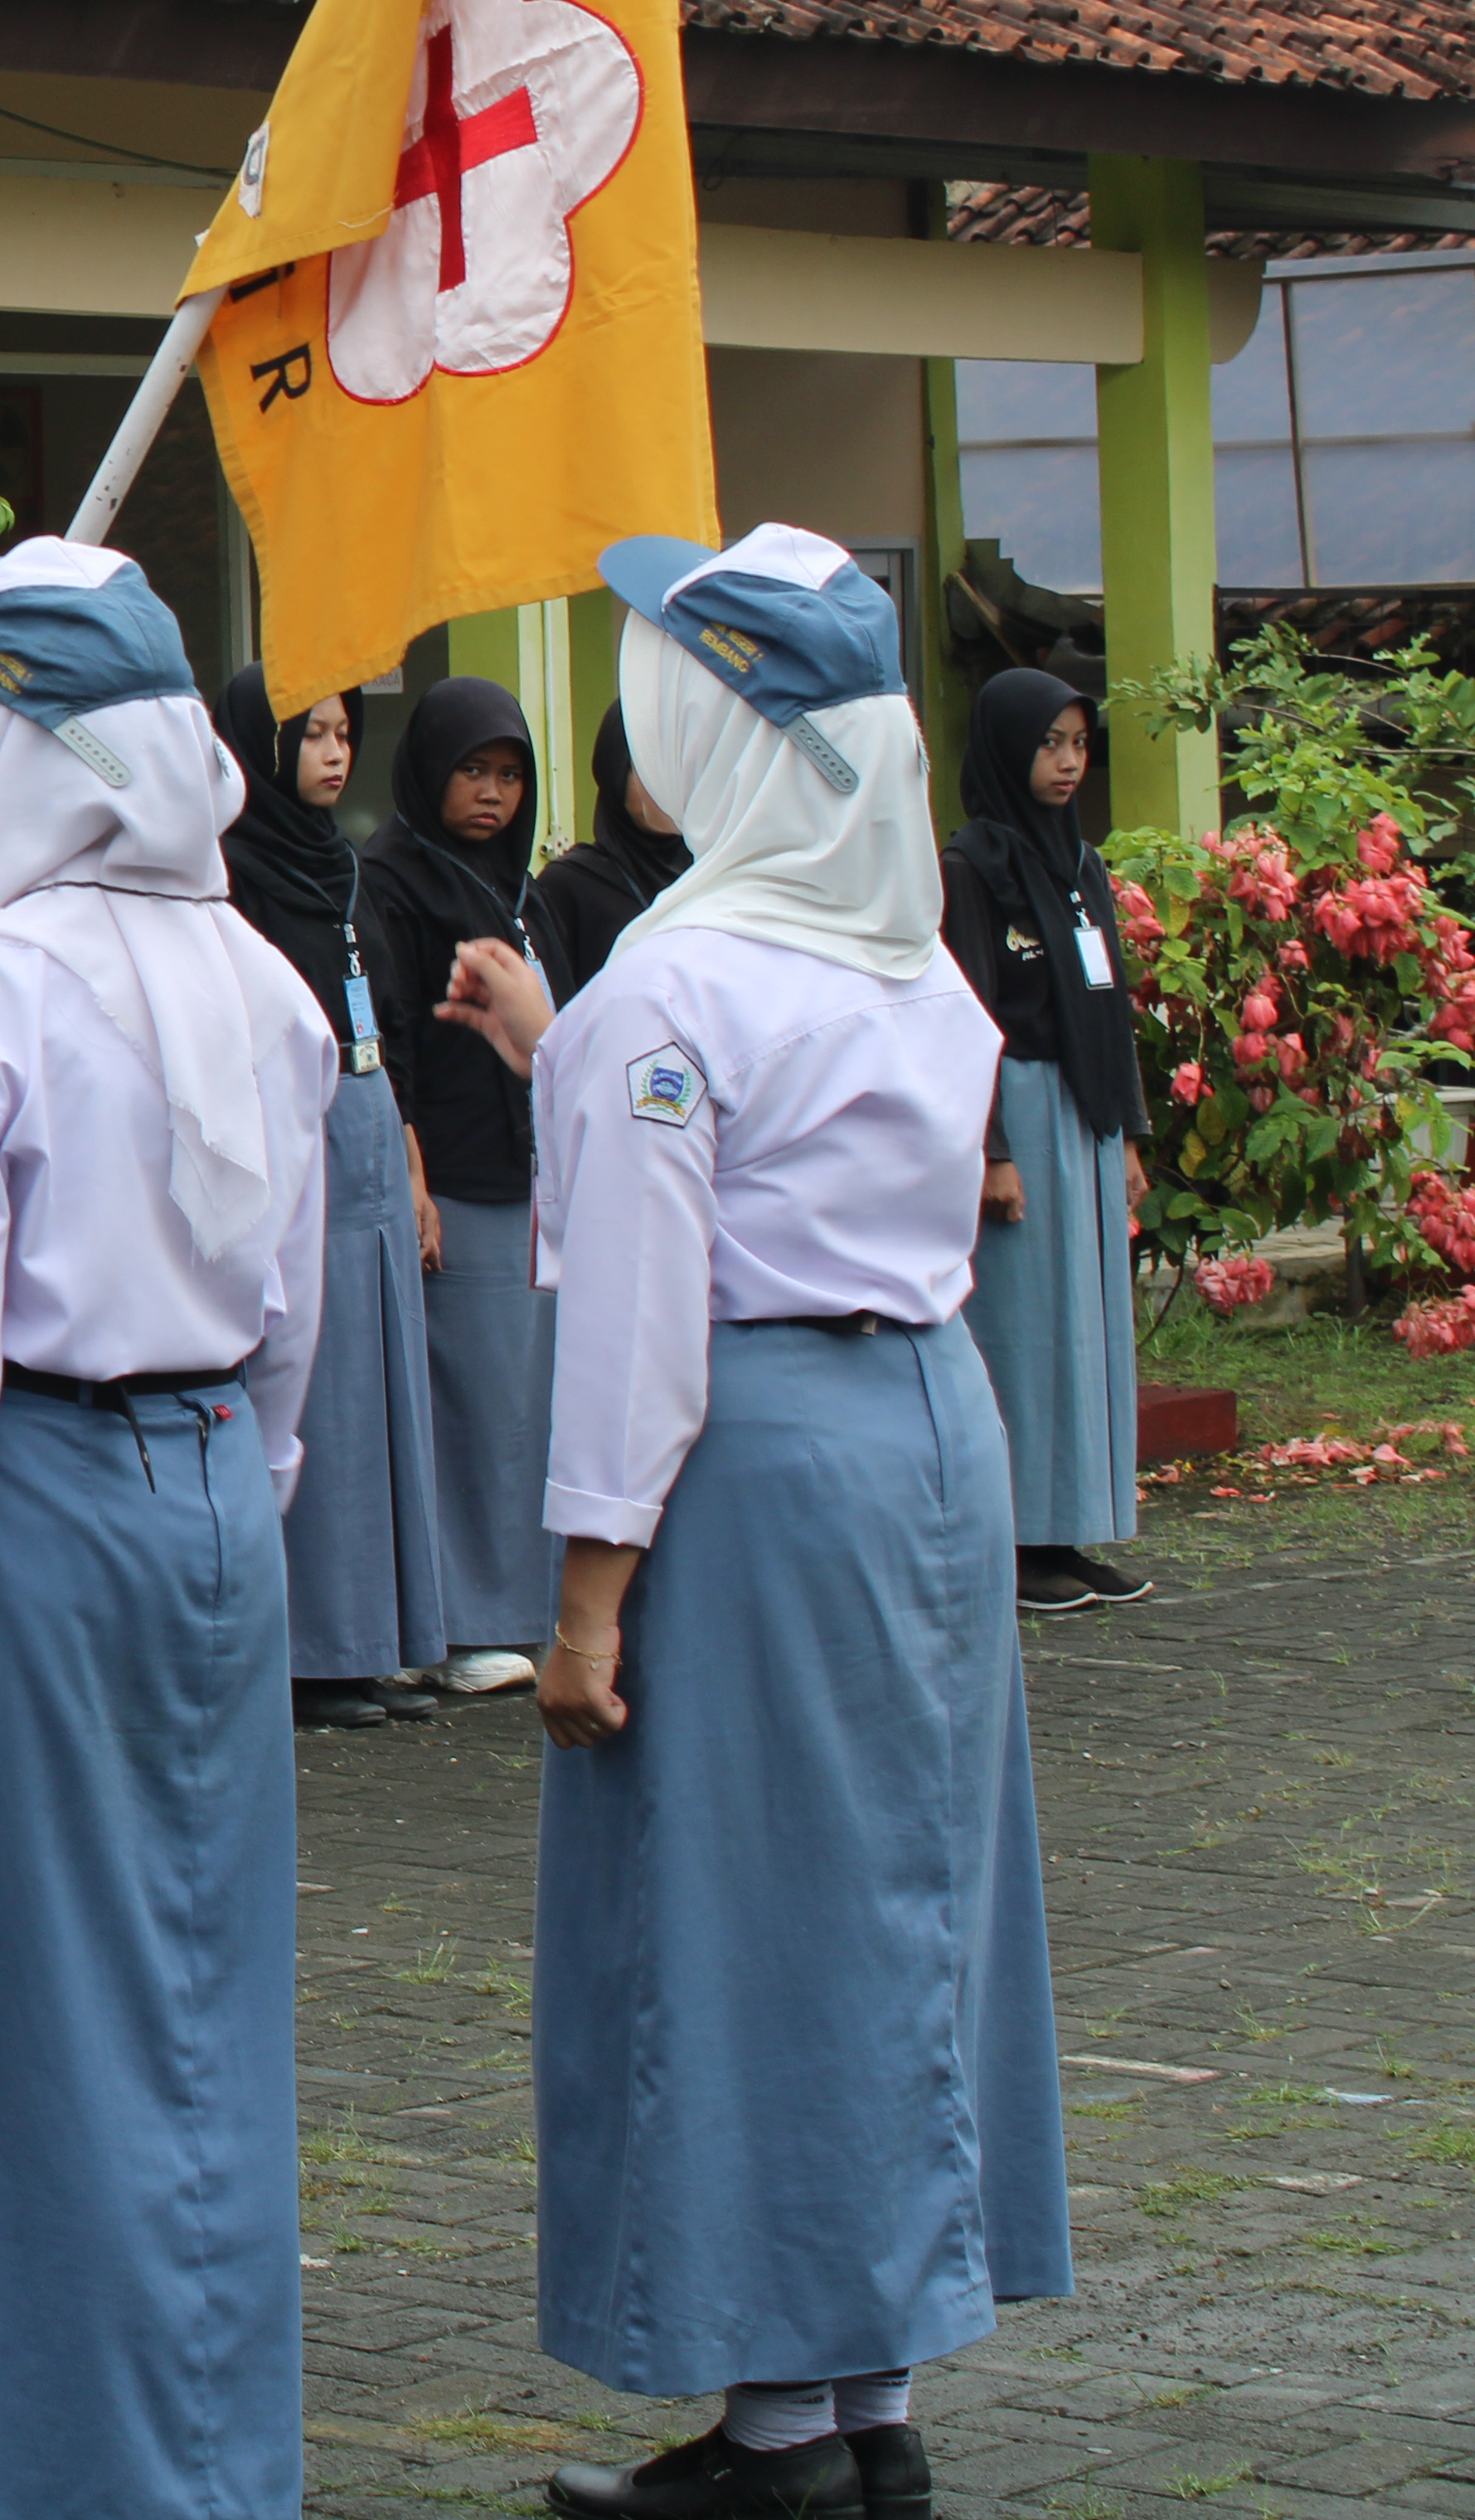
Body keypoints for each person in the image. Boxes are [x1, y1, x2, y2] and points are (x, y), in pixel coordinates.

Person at [444, 527, 1071, 2520]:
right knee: (898, 1904)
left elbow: (643, 1317)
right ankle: (868, 2400)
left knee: (736, 1918)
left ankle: (783, 2437)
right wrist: (563, 1049)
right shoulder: (910, 957)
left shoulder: (679, 975)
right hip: (931, 1434)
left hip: (760, 1452)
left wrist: (586, 1601)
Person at [0, 539, 337, 2520]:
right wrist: (233, 1511)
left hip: (29, 1513)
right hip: (210, 1496)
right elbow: (294, 1323)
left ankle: (31, 2470)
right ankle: (210, 2460)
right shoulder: (267, 982)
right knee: (206, 2010)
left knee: (21, 2015)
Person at [219, 672, 449, 1732]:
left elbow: (387, 1017)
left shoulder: (345, 865)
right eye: (310, 733)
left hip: (368, 1121)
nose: (334, 752)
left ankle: (380, 1634)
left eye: (344, 733)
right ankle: (314, 1647)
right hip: (291, 1125)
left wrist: (410, 1158)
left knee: (379, 1373)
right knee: (315, 1375)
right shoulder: (236, 870)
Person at [943, 668, 1153, 1615]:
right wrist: (991, 1147)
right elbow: (967, 1014)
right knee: (1025, 1326)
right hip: (1019, 1112)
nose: (1068, 762)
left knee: (1087, 1324)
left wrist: (1130, 1132)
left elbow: (1112, 1009)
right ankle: (1020, 1538)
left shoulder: (1082, 865)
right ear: (1004, 748)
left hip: (1085, 1111)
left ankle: (1072, 1528)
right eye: (1047, 744)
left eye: (1078, 743)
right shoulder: (971, 868)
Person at [366, 671, 553, 1695]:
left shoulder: (517, 888)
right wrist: (414, 1171)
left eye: (510, 775)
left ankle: (522, 1604)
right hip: (451, 1168)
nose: (492, 793)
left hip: (524, 1168)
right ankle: (462, 1618)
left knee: (520, 1401)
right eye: (472, 769)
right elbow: (390, 1034)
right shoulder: (393, 882)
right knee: (465, 1402)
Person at [528, 704, 693, 1004]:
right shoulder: (569, 886)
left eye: (680, 766)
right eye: (649, 769)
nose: (668, 786)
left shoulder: (713, 873)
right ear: (615, 771)